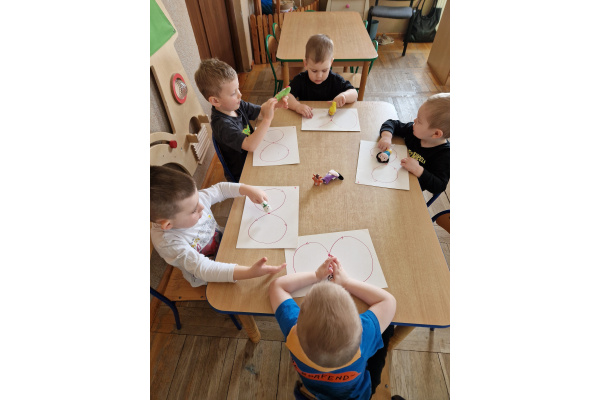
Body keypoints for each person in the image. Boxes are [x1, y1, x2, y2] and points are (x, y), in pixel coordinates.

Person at [269, 257, 396, 400]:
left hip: (314, 390)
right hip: (357, 395)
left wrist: (316, 276)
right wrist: (346, 283)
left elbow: (277, 286)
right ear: (359, 325)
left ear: (298, 322)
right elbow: (388, 301)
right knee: (388, 328)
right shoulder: (363, 338)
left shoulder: (293, 333)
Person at [150, 165, 286, 287]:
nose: (202, 206)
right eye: (194, 210)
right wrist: (250, 273)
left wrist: (247, 189)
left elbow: (220, 189)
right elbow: (204, 269)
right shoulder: (168, 243)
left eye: (198, 199)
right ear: (168, 224)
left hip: (225, 245)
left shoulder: (189, 202)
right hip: (210, 275)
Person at [194, 58, 288, 182]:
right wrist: (267, 119)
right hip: (243, 173)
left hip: (254, 157)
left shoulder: (236, 105)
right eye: (233, 93)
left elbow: (260, 112)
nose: (240, 94)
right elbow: (250, 145)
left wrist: (275, 103)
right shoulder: (222, 125)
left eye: (238, 88)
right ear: (215, 101)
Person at [377, 93, 450, 194]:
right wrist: (386, 136)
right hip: (389, 173)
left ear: (436, 134)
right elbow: (392, 123)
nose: (414, 120)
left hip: (410, 190)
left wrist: (418, 170)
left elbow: (439, 186)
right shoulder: (413, 131)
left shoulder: (445, 155)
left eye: (419, 121)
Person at [287, 34, 358, 119]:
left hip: (330, 121)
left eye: (324, 70)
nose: (319, 76)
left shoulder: (335, 80)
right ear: (305, 64)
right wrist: (297, 106)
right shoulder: (300, 80)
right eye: (314, 71)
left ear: (331, 63)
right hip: (307, 119)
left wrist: (344, 96)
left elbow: (354, 93)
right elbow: (285, 96)